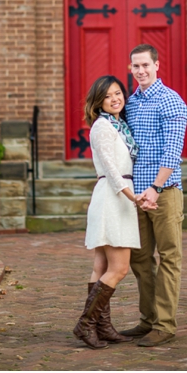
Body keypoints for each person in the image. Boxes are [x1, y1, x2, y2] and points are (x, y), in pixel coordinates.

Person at [74, 75, 154, 349]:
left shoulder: (119, 125)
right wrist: (134, 197)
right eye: (108, 96)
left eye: (118, 92)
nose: (115, 99)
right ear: (98, 102)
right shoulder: (102, 127)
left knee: (102, 266)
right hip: (113, 196)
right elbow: (110, 169)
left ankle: (102, 326)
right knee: (119, 269)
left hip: (114, 196)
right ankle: (86, 324)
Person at [119, 44, 187, 347]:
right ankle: (147, 321)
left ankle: (164, 325)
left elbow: (173, 151)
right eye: (136, 66)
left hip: (164, 192)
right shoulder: (129, 103)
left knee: (169, 257)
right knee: (139, 259)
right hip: (137, 196)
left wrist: (156, 188)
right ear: (130, 68)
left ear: (157, 65)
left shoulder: (171, 101)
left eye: (146, 65)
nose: (141, 71)